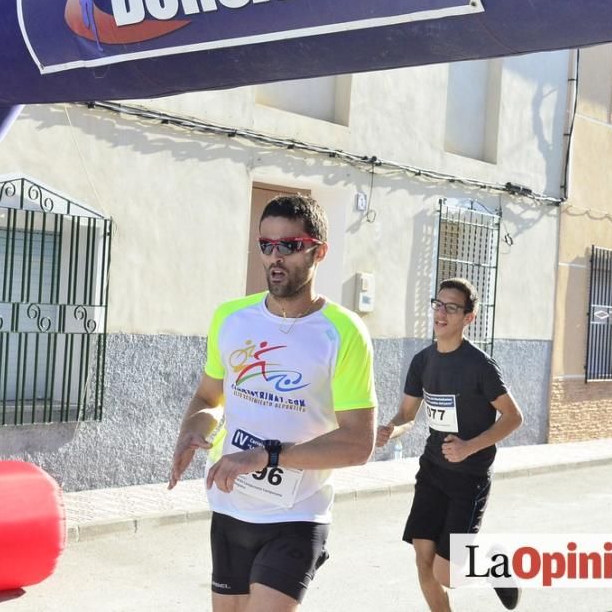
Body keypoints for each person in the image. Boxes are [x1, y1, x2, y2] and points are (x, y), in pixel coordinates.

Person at [168, 194, 377, 612]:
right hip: (231, 508)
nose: (275, 257)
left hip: (297, 515)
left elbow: (358, 444)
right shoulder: (231, 318)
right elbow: (210, 397)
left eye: (290, 245)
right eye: (266, 245)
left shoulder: (343, 332)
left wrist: (267, 457)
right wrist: (195, 427)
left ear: (319, 251)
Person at [377, 278, 523, 611]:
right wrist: (391, 429)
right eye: (438, 304)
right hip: (432, 472)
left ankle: (492, 562)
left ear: (468, 318)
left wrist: (469, 447)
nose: (441, 313)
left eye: (452, 308)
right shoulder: (423, 361)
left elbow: (514, 418)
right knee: (422, 560)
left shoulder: (480, 366)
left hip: (468, 478)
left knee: (447, 574)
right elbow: (406, 414)